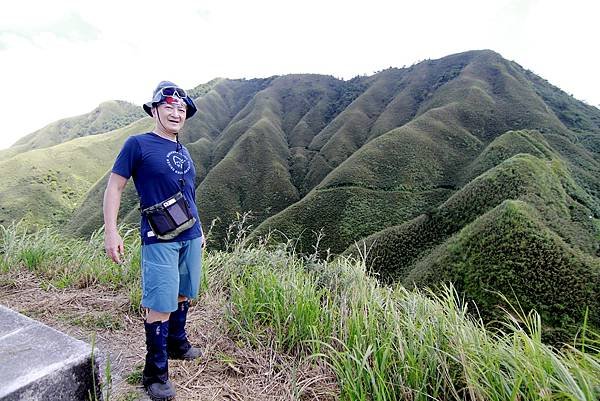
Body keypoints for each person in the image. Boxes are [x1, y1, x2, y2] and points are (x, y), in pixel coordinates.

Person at [103, 81, 206, 401]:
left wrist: (199, 232)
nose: (176, 114)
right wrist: (111, 230)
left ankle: (177, 342)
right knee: (160, 300)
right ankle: (155, 372)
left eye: (181, 109)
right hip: (158, 236)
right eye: (169, 107)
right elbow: (114, 188)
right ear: (155, 110)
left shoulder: (183, 150)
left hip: (189, 233)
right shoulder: (138, 144)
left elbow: (188, 195)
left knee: (183, 292)